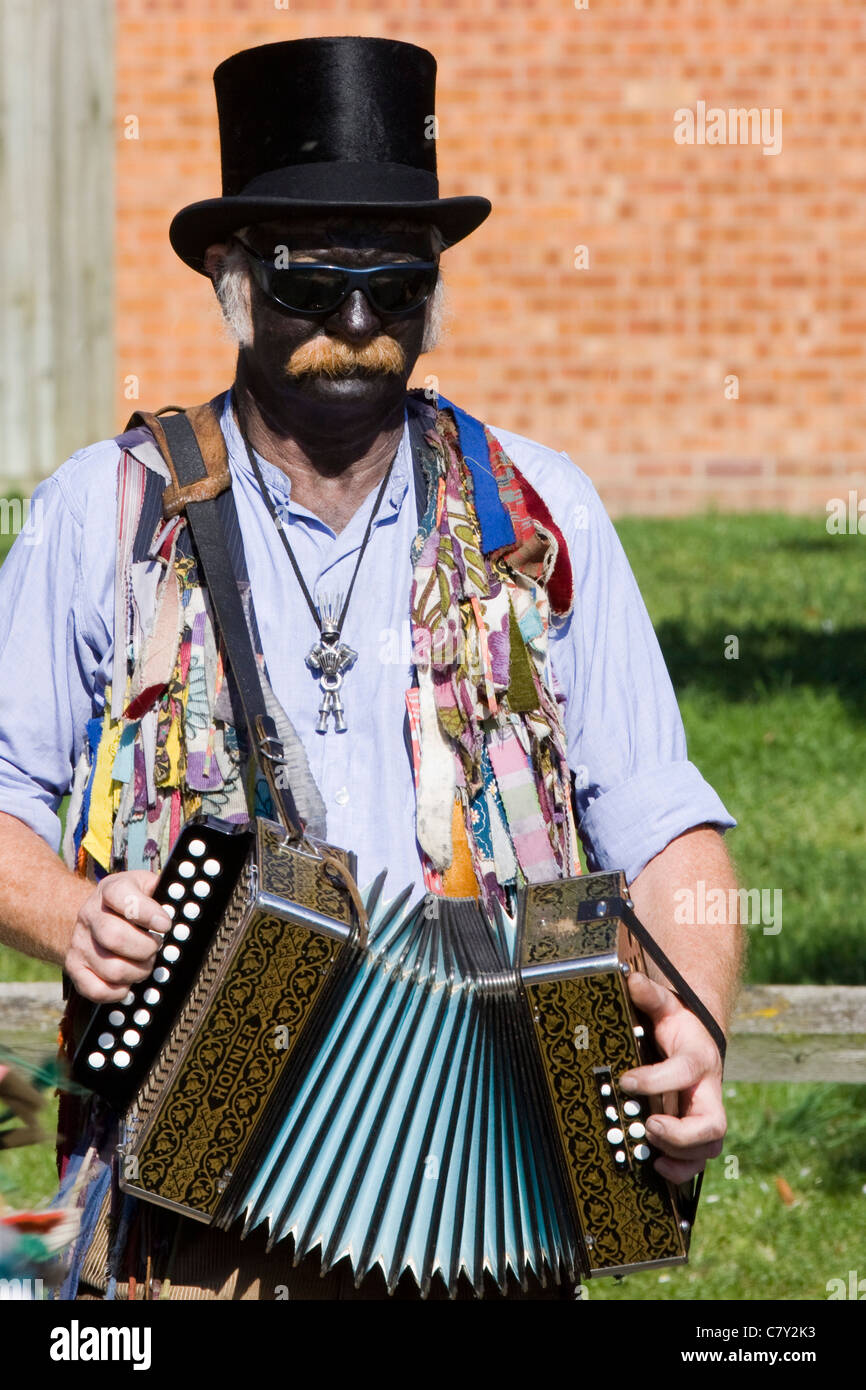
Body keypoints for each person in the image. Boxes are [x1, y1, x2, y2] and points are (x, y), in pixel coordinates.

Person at [0, 36, 741, 1300]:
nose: (355, 323)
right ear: (229, 276)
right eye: (311, 282)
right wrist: (70, 915)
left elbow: (663, 822)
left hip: (492, 1195)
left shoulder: (537, 510)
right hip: (193, 1211)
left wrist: (698, 1032)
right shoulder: (101, 511)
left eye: (393, 288)